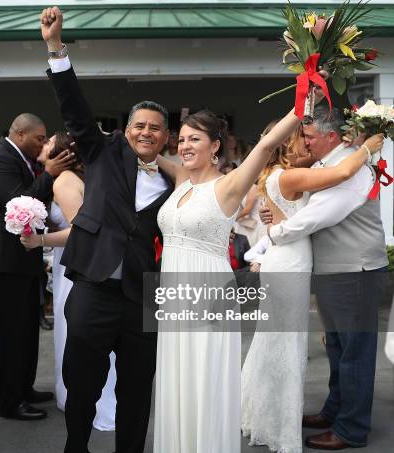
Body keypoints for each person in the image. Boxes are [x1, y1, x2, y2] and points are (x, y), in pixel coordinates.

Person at [153, 83, 332, 452]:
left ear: (215, 145)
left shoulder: (229, 185)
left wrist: (306, 93)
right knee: (178, 381)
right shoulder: (182, 181)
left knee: (203, 382)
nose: (184, 146)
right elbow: (144, 154)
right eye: (181, 138)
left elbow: (267, 145)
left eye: (195, 139)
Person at [42, 8, 173, 452]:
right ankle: (75, 446)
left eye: (155, 128)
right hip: (94, 289)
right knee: (82, 387)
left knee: (136, 396)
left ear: (165, 137)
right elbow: (75, 111)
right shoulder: (103, 151)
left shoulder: (175, 181)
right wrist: (57, 50)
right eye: (140, 125)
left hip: (143, 299)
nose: (146, 132)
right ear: (128, 128)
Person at [241, 115, 384, 453]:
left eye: (309, 135)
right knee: (337, 349)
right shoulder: (329, 163)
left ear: (331, 136)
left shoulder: (352, 168)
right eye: (302, 135)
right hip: (334, 268)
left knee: (354, 353)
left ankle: (351, 429)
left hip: (355, 269)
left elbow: (318, 215)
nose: (305, 141)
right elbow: (303, 204)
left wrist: (275, 232)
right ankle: (335, 411)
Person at [0, 113, 74, 421]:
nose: (43, 143)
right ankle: (10, 401)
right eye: (39, 138)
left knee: (28, 330)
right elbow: (20, 202)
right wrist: (50, 173)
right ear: (20, 134)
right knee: (10, 334)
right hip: (0, 262)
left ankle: (24, 389)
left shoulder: (19, 158)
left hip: (20, 261)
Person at [20, 131, 117, 431]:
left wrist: (40, 239)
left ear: (62, 150)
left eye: (49, 141)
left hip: (75, 266)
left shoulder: (64, 182)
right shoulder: (73, 179)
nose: (45, 143)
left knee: (76, 332)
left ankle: (88, 399)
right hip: (72, 264)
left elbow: (82, 230)